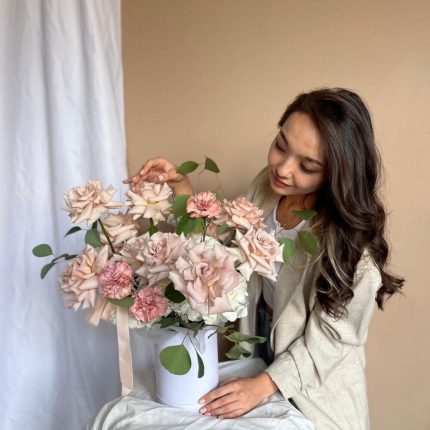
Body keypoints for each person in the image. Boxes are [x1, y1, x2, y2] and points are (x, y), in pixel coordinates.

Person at [123, 88, 404, 429]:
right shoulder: (267, 188)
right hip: (258, 349)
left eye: (307, 166)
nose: (283, 169)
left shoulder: (354, 250)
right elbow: (220, 251)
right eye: (281, 145)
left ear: (337, 173)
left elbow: (333, 340)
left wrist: (264, 385)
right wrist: (180, 186)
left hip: (315, 389)